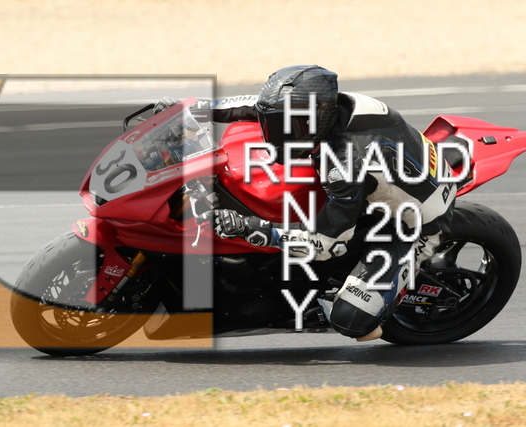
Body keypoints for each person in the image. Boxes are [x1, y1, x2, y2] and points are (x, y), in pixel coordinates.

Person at [155, 65, 456, 341]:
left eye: (290, 126)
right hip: (384, 184)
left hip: (411, 225)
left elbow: (323, 245)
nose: (276, 135)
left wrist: (251, 228)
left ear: (318, 116)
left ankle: (388, 294)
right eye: (274, 123)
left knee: (351, 320)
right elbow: (255, 105)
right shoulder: (329, 107)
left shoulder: (346, 165)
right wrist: (190, 108)